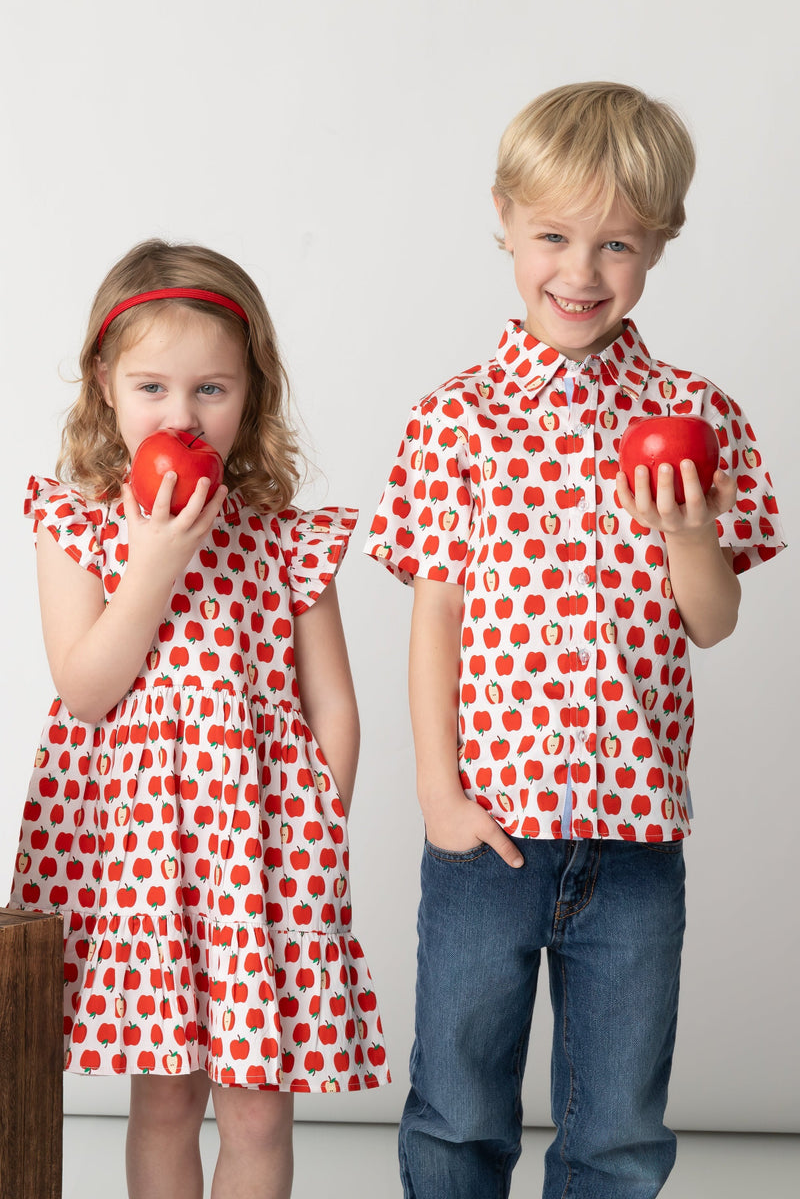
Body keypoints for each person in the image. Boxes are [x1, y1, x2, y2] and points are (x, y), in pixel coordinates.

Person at [365, 82, 786, 1198]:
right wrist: (440, 794)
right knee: (457, 1108)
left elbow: (713, 618)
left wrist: (691, 534)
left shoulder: (698, 412)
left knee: (621, 1126)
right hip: (487, 834)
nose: (581, 272)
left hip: (638, 840)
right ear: (503, 218)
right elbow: (436, 614)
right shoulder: (456, 417)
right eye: (553, 235)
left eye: (618, 245)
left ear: (660, 244)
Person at [11, 239, 390, 1199]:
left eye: (212, 391)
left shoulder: (282, 535)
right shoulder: (79, 525)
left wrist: (316, 827)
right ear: (104, 385)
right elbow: (88, 689)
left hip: (263, 852)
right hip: (144, 855)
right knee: (168, 1099)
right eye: (152, 388)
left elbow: (333, 702)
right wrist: (153, 563)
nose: (182, 416)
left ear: (252, 391)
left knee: (261, 1102)